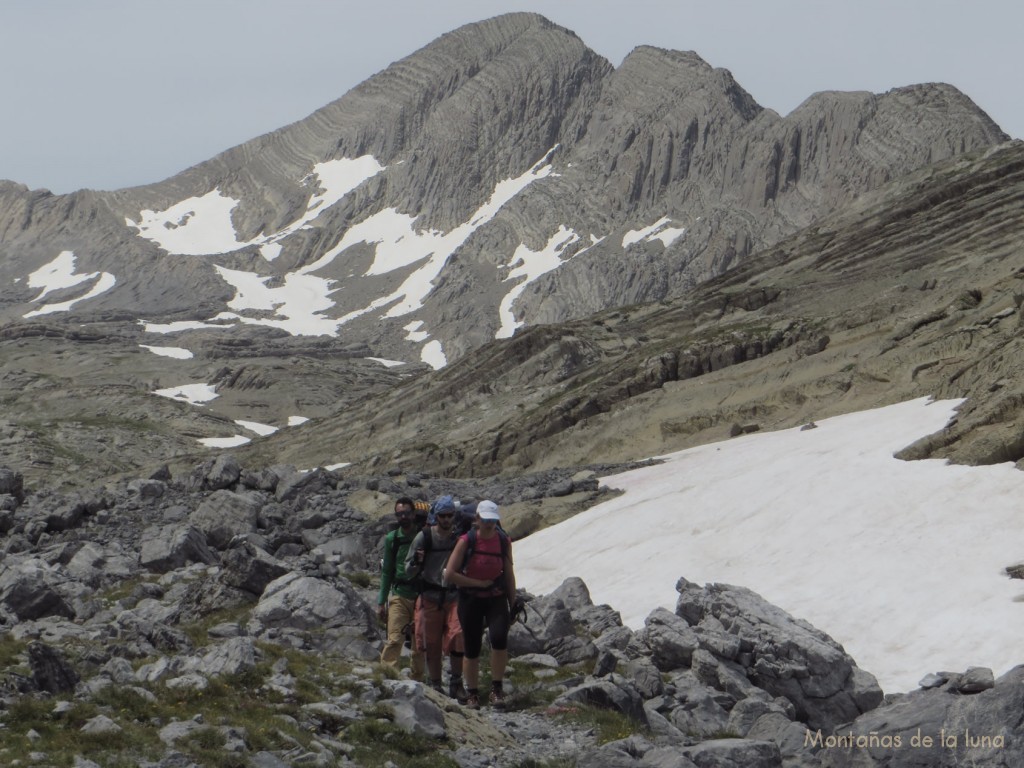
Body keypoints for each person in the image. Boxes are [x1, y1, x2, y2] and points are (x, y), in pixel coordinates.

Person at [443, 499, 515, 708]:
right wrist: (478, 583)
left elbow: (509, 573)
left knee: (499, 638)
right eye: (485, 520)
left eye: (493, 520)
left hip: (497, 597)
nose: (489, 524)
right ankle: (473, 693)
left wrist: (514, 601)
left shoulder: (503, 541)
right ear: (477, 519)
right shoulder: (466, 541)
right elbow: (450, 574)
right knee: (472, 646)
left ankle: (496, 689)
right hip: (470, 598)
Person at [404, 495, 468, 701]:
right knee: (431, 643)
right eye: (443, 516)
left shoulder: (458, 539)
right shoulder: (424, 537)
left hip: (453, 594)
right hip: (430, 595)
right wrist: (415, 562)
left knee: (458, 636)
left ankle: (456, 683)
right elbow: (408, 570)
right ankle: (436, 684)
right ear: (436, 516)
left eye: (450, 515)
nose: (447, 519)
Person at [377, 496, 425, 679]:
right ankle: (389, 677)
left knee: (418, 643)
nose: (403, 517)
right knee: (395, 639)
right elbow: (387, 571)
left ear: (413, 514)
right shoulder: (392, 539)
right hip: (399, 594)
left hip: (421, 596)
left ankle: (418, 679)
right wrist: (381, 602)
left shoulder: (423, 536)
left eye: (406, 513)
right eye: (399, 514)